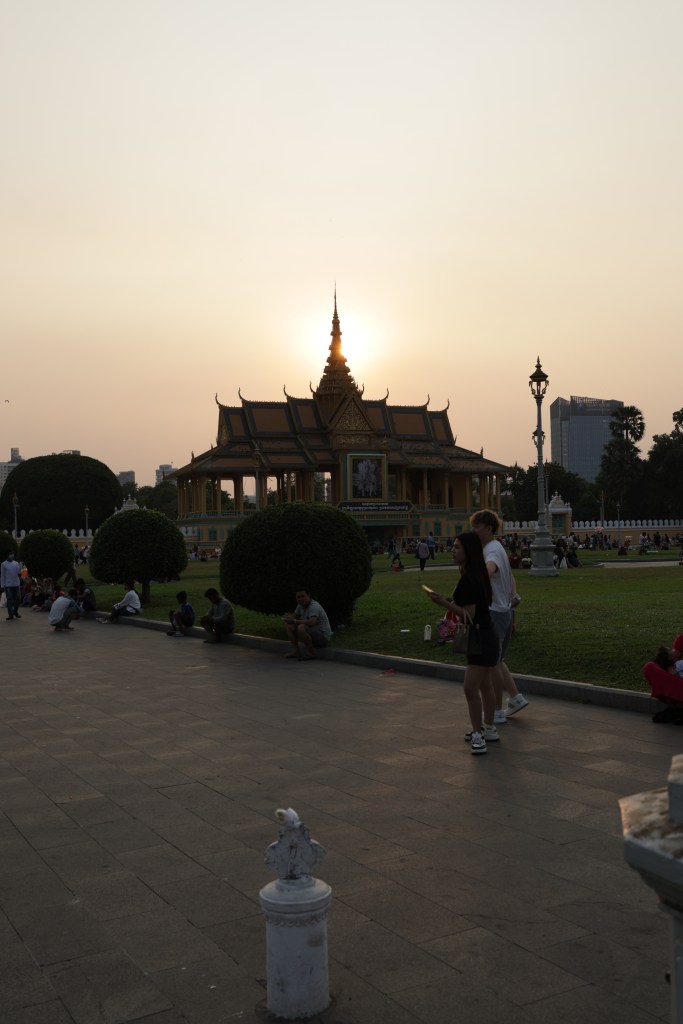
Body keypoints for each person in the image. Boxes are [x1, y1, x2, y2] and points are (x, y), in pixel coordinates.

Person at [425, 532, 499, 754]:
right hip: (488, 635)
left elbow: (469, 615)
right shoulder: (477, 574)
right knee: (485, 686)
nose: (452, 550)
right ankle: (489, 727)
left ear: (468, 551)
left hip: (480, 638)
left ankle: (479, 734)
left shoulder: (469, 578)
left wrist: (441, 602)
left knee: (470, 688)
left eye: (457, 547)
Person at [470, 509, 529, 723]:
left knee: (490, 665)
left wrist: (476, 581)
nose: (473, 530)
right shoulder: (497, 547)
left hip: (493, 613)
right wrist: (512, 596)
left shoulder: (491, 550)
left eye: (476, 526)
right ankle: (515, 697)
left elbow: (491, 569)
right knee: (497, 660)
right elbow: (510, 577)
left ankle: (495, 711)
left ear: (488, 527)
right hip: (503, 611)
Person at [283, 589, 332, 661]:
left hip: (322, 638)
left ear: (308, 596)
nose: (300, 599)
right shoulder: (300, 605)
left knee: (301, 627)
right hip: (312, 634)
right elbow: (294, 616)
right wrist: (288, 619)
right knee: (289, 626)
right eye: (298, 597)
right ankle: (296, 651)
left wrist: (295, 621)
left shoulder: (314, 606)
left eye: (303, 596)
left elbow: (312, 622)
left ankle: (312, 652)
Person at [643, 636, 683, 722]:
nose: (673, 650)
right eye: (671, 650)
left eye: (673, 649)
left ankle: (676, 711)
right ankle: (676, 710)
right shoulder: (671, 666)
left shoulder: (677, 664)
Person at [1, 551, 22, 621]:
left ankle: (15, 612)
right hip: (8, 585)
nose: (11, 555)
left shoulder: (16, 563)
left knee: (18, 599)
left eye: (12, 554)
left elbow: (19, 572)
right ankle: (10, 615)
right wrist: (2, 585)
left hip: (16, 584)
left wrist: (20, 565)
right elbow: (2, 575)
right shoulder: (3, 564)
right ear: (7, 555)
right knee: (9, 599)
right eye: (10, 554)